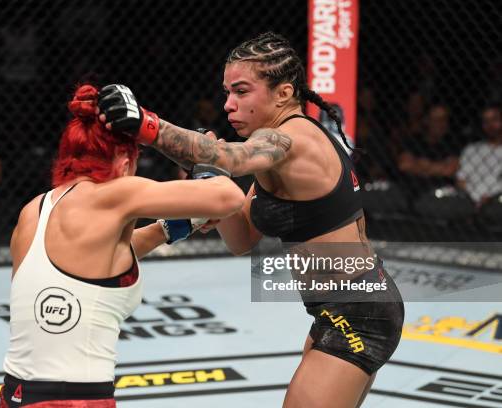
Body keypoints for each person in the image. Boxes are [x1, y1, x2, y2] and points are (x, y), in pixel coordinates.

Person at [97, 32, 404, 408]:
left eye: (241, 92)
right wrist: (208, 179)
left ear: (283, 93)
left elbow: (232, 158)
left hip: (360, 313)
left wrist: (147, 125)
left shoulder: (292, 140)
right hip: (336, 309)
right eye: (227, 93)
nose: (228, 104)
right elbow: (241, 238)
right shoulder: (274, 151)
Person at [0, 84, 244, 407]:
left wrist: (168, 229)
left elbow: (90, 265)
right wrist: (206, 157)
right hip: (76, 401)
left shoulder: (33, 211)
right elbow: (229, 196)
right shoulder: (116, 195)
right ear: (122, 159)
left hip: (14, 395)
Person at [456, 103, 502, 206]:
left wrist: (490, 198)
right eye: (486, 121)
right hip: (469, 202)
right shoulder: (471, 149)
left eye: (495, 119)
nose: (490, 125)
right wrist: (473, 200)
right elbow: (461, 180)